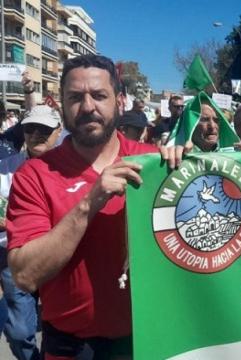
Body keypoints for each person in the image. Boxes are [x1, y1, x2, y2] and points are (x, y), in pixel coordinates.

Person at [6, 54, 182, 359]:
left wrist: (190, 170)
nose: (88, 107)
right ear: (60, 104)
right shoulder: (34, 175)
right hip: (72, 347)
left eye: (99, 95)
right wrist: (90, 202)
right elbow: (24, 275)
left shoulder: (153, 162)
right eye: (75, 97)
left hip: (149, 338)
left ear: (120, 101)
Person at [0, 105, 63, 360]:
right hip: (15, 258)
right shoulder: (5, 169)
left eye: (44, 129)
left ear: (58, 132)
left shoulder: (72, 169)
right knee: (19, 331)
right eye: (30, 128)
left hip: (58, 256)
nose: (36, 134)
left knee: (59, 327)